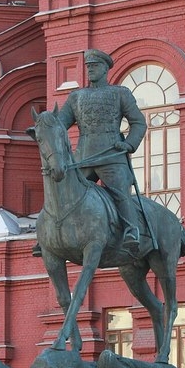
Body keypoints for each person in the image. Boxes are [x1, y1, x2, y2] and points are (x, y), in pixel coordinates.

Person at [33, 49, 147, 256]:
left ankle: (132, 231)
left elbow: (138, 122)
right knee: (58, 188)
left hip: (112, 155)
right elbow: (61, 124)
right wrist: (46, 124)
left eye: (94, 66)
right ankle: (47, 236)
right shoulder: (77, 97)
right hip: (83, 159)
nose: (91, 69)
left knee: (120, 192)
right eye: (88, 66)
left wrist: (129, 144)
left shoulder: (120, 93)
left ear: (105, 68)